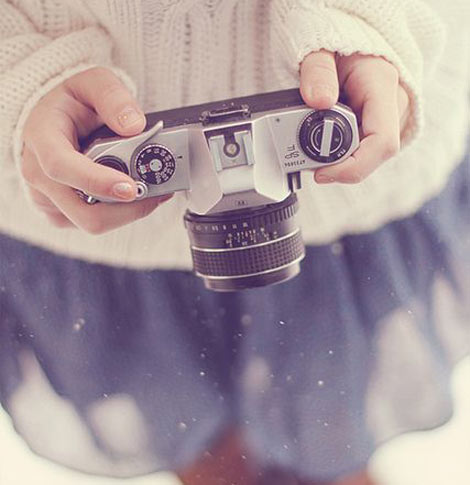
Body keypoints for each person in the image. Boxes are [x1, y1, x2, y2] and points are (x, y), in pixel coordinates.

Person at [0, 1, 469, 484]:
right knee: (210, 457)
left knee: (333, 436)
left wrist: (371, 24)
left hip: (354, 198)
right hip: (86, 220)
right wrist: (18, 79)